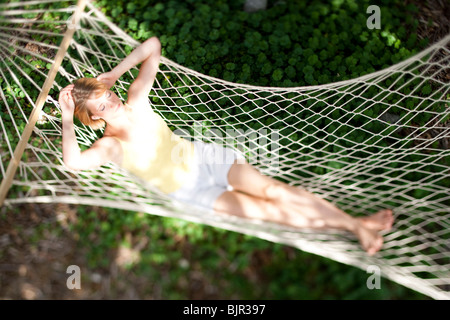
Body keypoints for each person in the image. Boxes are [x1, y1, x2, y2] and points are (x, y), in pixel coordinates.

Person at [59, 37, 394, 256]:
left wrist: (114, 75)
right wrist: (67, 118)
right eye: (102, 107)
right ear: (93, 118)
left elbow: (153, 46)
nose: (112, 104)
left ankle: (356, 225)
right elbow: (73, 162)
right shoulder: (110, 146)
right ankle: (356, 225)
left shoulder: (137, 100)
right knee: (274, 215)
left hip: (206, 160)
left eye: (109, 97)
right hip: (194, 191)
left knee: (276, 192)